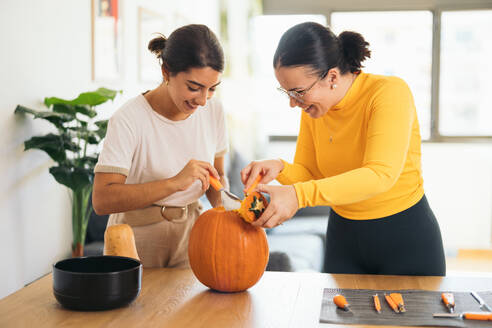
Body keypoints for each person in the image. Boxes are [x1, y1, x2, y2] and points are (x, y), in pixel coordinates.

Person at [241, 22, 445, 276]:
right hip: (344, 238)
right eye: (287, 93)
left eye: (298, 92)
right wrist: (281, 168)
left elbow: (380, 175)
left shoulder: (388, 93)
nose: (293, 103)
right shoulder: (315, 109)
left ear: (333, 77)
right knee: (338, 316)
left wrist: (297, 195)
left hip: (404, 238)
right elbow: (312, 174)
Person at [92, 24, 229, 268]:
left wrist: (233, 209)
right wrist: (174, 183)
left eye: (212, 89)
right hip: (134, 237)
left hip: (193, 233)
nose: (203, 100)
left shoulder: (214, 110)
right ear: (166, 72)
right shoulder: (128, 119)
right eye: (194, 87)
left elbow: (216, 178)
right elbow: (102, 200)